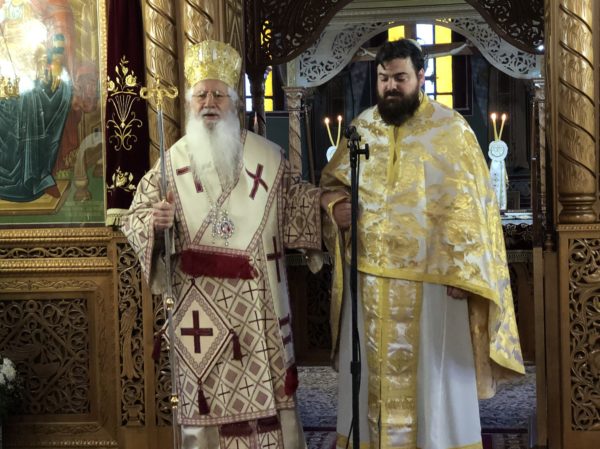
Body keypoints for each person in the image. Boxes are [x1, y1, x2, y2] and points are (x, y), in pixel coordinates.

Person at [319, 39, 525, 449]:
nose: (390, 87)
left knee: (434, 381)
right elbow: (333, 182)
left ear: (421, 77)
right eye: (383, 78)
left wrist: (466, 274)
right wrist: (335, 205)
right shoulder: (362, 128)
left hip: (434, 283)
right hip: (370, 280)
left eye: (400, 78)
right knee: (370, 378)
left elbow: (474, 206)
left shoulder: (451, 130)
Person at [121, 40, 323, 449]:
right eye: (201, 95)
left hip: (259, 310)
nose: (209, 103)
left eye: (219, 95)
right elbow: (136, 217)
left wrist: (329, 207)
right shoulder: (169, 166)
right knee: (207, 405)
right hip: (202, 316)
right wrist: (155, 223)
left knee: (268, 407)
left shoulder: (268, 158)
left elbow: (295, 205)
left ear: (235, 103)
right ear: (190, 103)